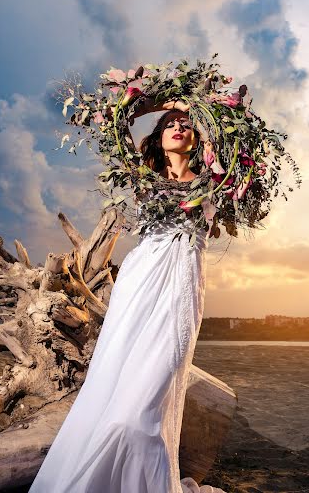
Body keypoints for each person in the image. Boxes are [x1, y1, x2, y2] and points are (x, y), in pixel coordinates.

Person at [29, 96, 227, 493]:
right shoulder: (143, 176)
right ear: (158, 136)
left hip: (183, 286)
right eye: (171, 122)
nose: (179, 125)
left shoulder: (213, 181)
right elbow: (115, 126)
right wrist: (157, 99)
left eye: (187, 123)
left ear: (198, 139)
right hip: (140, 284)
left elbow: (234, 140)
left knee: (150, 398)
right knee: (113, 378)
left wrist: (195, 105)